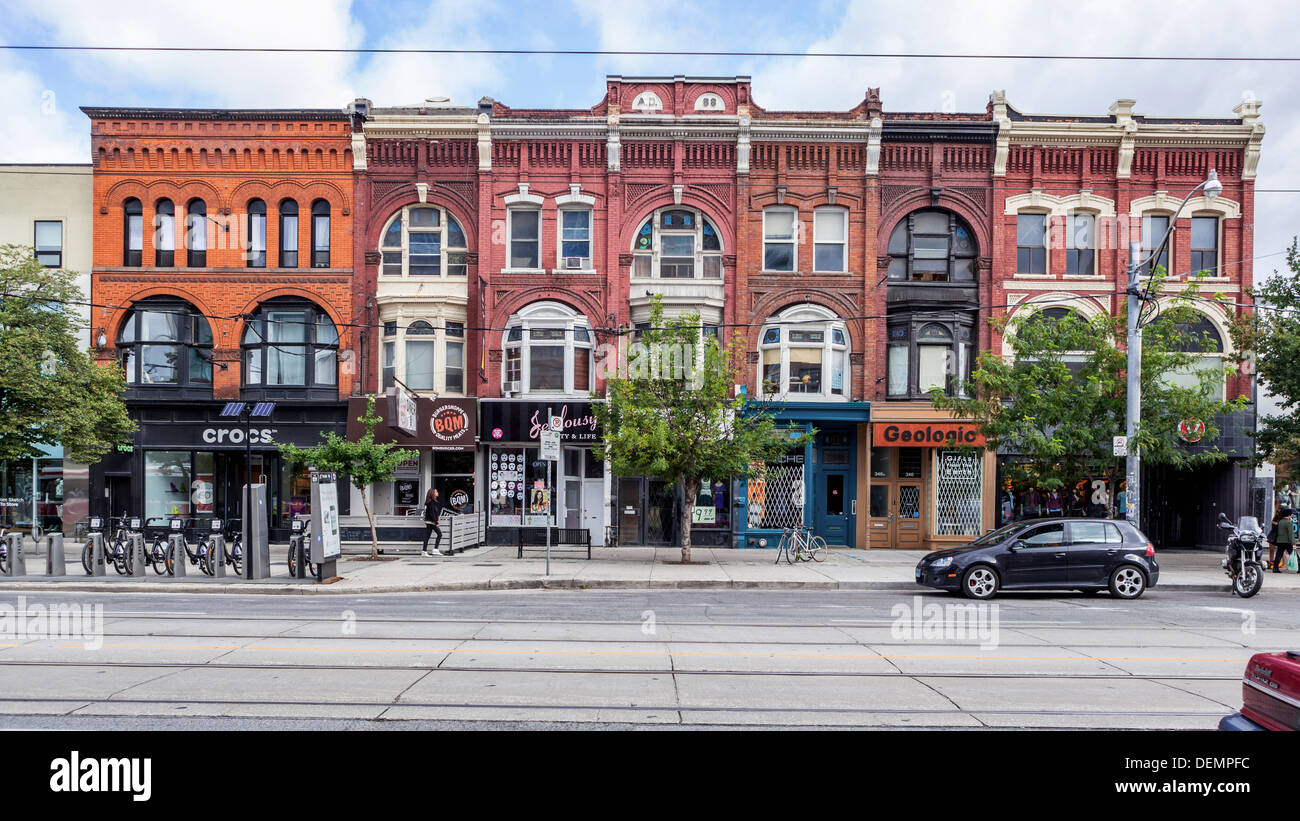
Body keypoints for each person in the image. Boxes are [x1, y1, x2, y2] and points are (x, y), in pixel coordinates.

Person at [421, 488, 454, 557]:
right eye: (436, 492)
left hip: (431, 521)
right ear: (433, 493)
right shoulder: (430, 502)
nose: (437, 492)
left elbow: (434, 512)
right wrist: (436, 523)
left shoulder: (432, 501)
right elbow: (431, 513)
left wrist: (437, 516)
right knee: (438, 534)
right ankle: (429, 550)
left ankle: (428, 550)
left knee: (430, 536)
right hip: (431, 522)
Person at [1271, 504, 1295, 573]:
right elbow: (1291, 534)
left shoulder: (1280, 522)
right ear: (1289, 515)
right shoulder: (1289, 522)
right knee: (1293, 554)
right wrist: (1293, 543)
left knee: (1278, 555)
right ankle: (1299, 567)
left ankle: (1275, 568)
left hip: (1280, 541)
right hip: (1287, 541)